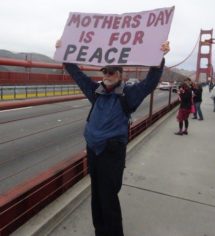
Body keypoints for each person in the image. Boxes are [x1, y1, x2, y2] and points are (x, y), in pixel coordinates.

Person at [55, 40, 170, 236]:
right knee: (96, 193)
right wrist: (64, 54)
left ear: (120, 74)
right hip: (93, 150)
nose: (108, 75)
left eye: (112, 72)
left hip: (112, 151)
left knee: (108, 195)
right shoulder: (96, 92)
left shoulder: (129, 94)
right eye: (105, 72)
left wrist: (159, 57)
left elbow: (150, 82)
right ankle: (100, 231)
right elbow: (78, 76)